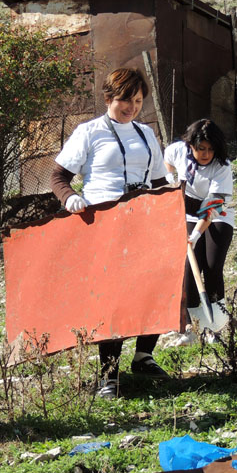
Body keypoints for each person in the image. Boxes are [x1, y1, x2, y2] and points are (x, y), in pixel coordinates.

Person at [50, 67, 172, 399]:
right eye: (124, 100)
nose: (131, 107)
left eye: (137, 100)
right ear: (109, 98)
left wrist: (174, 203)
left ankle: (144, 357)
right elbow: (58, 176)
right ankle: (108, 376)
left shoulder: (146, 134)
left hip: (145, 221)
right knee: (113, 300)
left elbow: (160, 181)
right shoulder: (89, 132)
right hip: (106, 225)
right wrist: (71, 197)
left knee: (156, 287)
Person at [164, 118, 234, 321]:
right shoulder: (179, 150)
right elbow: (167, 160)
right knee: (189, 268)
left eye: (211, 149)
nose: (206, 154)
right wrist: (169, 177)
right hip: (188, 210)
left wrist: (195, 235)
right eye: (201, 148)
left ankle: (218, 324)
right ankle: (194, 324)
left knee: (212, 266)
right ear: (190, 145)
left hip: (218, 213)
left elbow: (213, 207)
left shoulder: (222, 167)